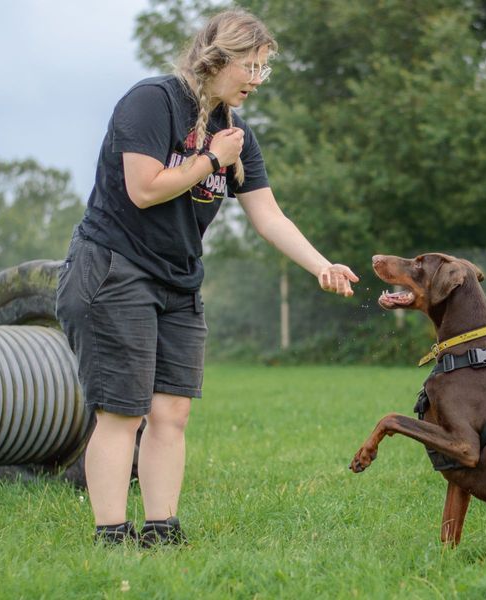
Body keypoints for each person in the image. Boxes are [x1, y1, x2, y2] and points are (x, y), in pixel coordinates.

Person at [56, 9, 358, 547]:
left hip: (178, 278)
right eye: (253, 65)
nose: (257, 79)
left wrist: (322, 264)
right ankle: (111, 536)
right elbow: (144, 188)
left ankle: (161, 531)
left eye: (264, 69)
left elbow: (268, 216)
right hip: (114, 268)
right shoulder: (152, 101)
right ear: (222, 56)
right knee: (123, 411)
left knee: (171, 410)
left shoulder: (238, 134)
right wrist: (209, 160)